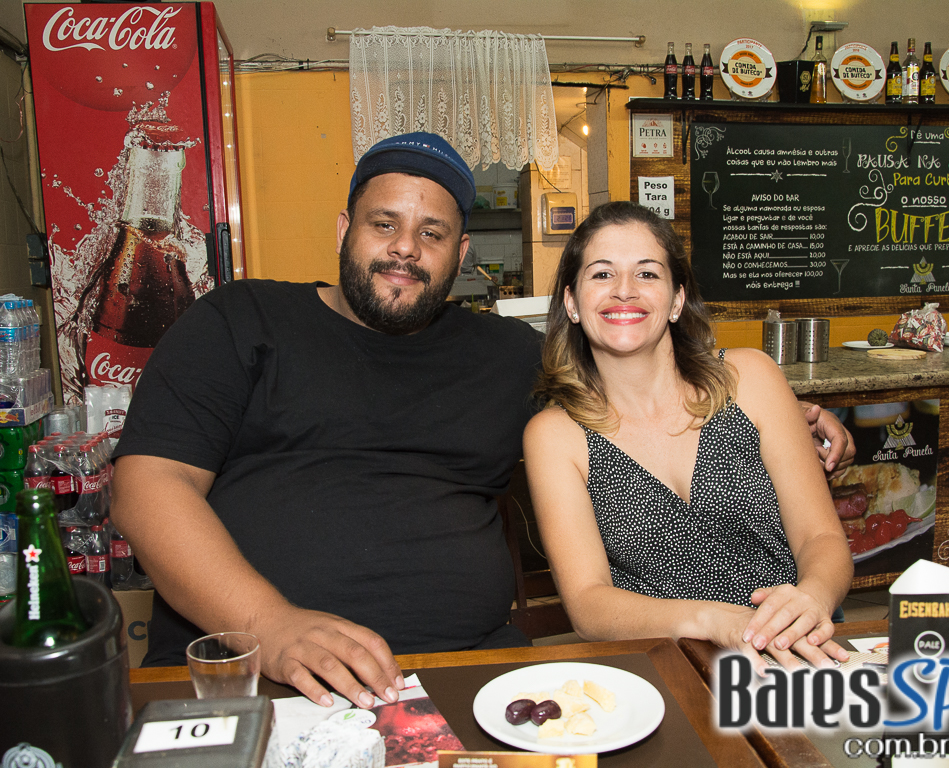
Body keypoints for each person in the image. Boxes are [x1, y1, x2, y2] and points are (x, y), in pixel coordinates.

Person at [111, 133, 854, 710]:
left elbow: (622, 382)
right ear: (343, 228)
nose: (406, 247)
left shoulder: (506, 355)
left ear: (460, 253)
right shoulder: (240, 320)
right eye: (384, 223)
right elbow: (148, 488)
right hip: (254, 671)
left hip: (469, 669)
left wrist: (782, 415)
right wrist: (270, 624)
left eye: (433, 233)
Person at [523, 201, 854, 669]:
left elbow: (821, 536)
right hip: (666, 664)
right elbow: (588, 605)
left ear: (677, 300)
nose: (624, 290)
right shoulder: (555, 435)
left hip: (793, 644)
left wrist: (814, 596)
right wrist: (715, 620)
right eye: (601, 274)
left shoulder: (750, 379)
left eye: (647, 274)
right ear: (572, 303)